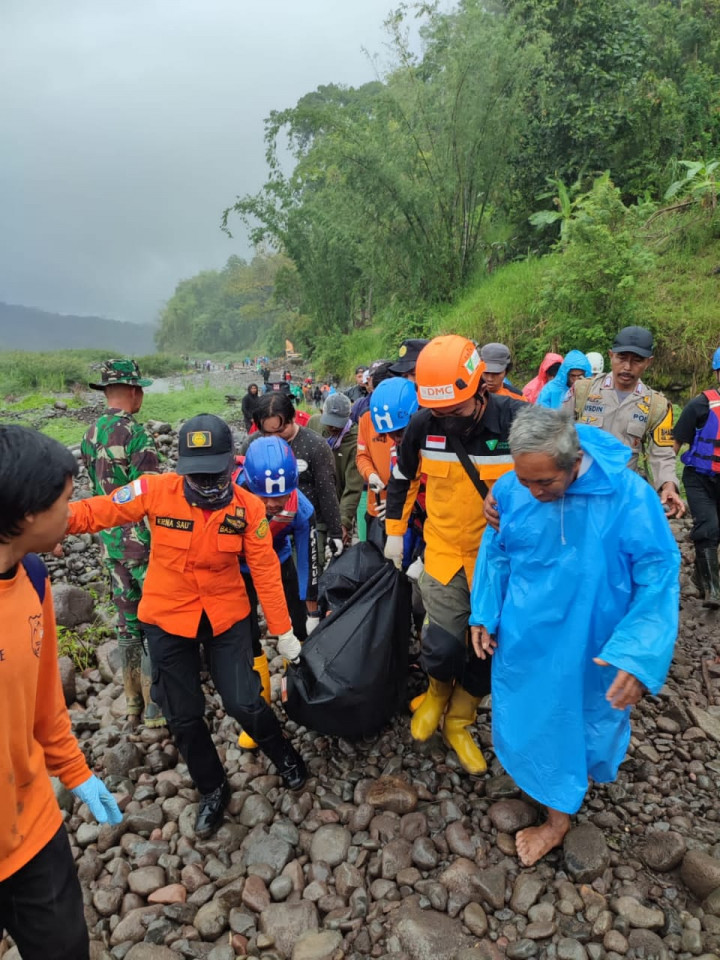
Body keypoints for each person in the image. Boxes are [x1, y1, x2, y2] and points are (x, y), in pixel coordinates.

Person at [67, 413, 307, 840]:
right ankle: (212, 787)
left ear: (228, 466)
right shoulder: (156, 490)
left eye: (214, 475)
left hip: (225, 614)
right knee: (183, 715)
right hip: (167, 616)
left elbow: (267, 571)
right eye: (197, 476)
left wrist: (284, 631)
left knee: (244, 701)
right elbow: (103, 509)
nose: (207, 484)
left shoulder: (247, 508)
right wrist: (50, 520)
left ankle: (284, 754)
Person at [469, 406, 679, 866]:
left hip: (593, 640)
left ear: (574, 461)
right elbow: (497, 549)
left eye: (545, 482)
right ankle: (547, 791)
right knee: (530, 711)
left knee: (584, 718)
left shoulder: (628, 497)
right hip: (529, 637)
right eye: (525, 481)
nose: (534, 492)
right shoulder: (513, 489)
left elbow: (658, 575)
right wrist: (484, 611)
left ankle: (557, 820)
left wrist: (639, 655)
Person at [0, 425, 122, 960]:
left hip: (33, 832)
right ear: (26, 513)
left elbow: (45, 700)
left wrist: (75, 771)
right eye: (65, 501)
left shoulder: (33, 577)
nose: (72, 516)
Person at [384, 335, 523, 774]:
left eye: (456, 412)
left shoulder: (517, 421)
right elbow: (402, 479)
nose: (448, 421)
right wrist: (394, 531)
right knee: (441, 647)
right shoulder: (424, 425)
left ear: (481, 387)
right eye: (440, 412)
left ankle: (460, 720)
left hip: (500, 561)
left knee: (487, 650)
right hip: (443, 551)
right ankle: (437, 692)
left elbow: (554, 479)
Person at [83, 358, 164, 728]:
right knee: (153, 620)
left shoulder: (90, 434)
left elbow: (97, 492)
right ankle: (155, 705)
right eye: (141, 390)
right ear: (133, 392)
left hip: (110, 542)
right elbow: (150, 495)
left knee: (126, 621)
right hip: (142, 544)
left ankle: (131, 700)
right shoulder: (136, 435)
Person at [236, 437, 320, 748]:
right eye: (264, 498)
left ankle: (294, 695)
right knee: (247, 638)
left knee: (295, 629)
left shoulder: (300, 508)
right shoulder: (229, 494)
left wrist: (310, 606)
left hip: (279, 559)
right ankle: (260, 711)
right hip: (238, 570)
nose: (273, 505)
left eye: (281, 497)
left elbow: (308, 559)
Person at [563, 326, 685, 518]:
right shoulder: (582, 391)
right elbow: (556, 434)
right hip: (577, 491)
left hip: (621, 497)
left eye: (637, 361)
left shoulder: (656, 405)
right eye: (621, 358)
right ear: (611, 355)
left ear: (648, 362)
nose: (627, 367)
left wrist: (668, 485)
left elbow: (662, 454)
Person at [244, 392, 344, 563]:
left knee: (305, 580)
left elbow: (327, 492)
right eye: (267, 433)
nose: (274, 438)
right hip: (266, 525)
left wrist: (335, 533)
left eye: (280, 430)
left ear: (293, 418)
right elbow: (243, 488)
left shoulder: (315, 446)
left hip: (308, 524)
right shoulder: (252, 445)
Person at [673, 346, 720, 606]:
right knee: (709, 527)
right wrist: (667, 480)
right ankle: (713, 591)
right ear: (716, 372)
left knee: (716, 530)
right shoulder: (701, 404)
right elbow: (674, 443)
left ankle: (701, 578)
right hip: (699, 477)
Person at [357, 376, 419, 548]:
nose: (396, 439)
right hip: (377, 506)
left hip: (410, 513)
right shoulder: (368, 418)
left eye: (399, 433)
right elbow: (362, 456)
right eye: (389, 435)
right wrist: (371, 475)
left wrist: (396, 505)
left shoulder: (419, 427)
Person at [307, 393, 364, 548]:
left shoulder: (356, 440)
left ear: (349, 416)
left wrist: (344, 522)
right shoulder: (314, 425)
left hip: (339, 503)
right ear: (321, 413)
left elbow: (353, 488)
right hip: (313, 502)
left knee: (339, 550)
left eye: (337, 424)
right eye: (329, 422)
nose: (332, 427)